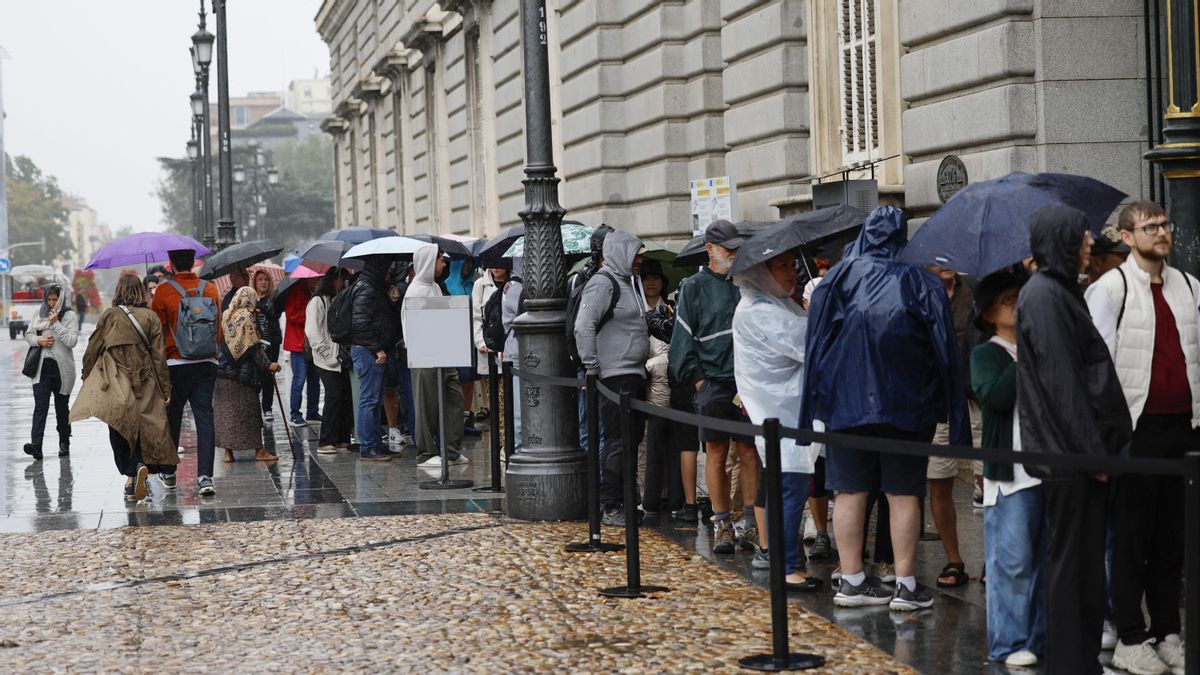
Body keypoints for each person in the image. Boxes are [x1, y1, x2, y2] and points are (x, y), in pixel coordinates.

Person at [801, 205, 969, 612]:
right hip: (907, 405)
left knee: (849, 491)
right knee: (904, 492)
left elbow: (814, 349)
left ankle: (853, 580)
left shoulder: (834, 280)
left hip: (845, 405)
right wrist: (953, 411)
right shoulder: (920, 281)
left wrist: (812, 407)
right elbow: (946, 351)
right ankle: (906, 585)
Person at [1017, 204, 1131, 673]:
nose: (1090, 244)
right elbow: (1064, 384)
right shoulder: (1045, 296)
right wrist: (1093, 455)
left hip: (1074, 456)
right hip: (1072, 459)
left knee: (1081, 566)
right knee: (1072, 566)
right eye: (1083, 236)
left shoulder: (1058, 292)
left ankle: (1079, 657)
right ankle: (1071, 661)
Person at [1086, 201, 1197, 675]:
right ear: (1127, 237)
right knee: (1131, 539)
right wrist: (1101, 441)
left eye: (1164, 224)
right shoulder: (1110, 288)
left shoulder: (1190, 286)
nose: (1161, 232)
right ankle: (1130, 635)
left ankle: (1167, 630)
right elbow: (1096, 367)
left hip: (1184, 430)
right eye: (1149, 227)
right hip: (1135, 431)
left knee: (1173, 539)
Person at [733, 249, 822, 592]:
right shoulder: (760, 310)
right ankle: (785, 566)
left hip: (785, 414)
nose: (790, 273)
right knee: (790, 490)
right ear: (761, 272)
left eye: (791, 265)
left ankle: (786, 561)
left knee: (785, 490)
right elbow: (807, 343)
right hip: (782, 416)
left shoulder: (772, 303)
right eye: (781, 266)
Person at [668, 219, 759, 553]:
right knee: (717, 452)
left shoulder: (746, 280)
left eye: (737, 249)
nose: (734, 255)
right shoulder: (694, 286)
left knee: (750, 452)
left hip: (746, 382)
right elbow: (682, 341)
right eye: (728, 249)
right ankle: (722, 523)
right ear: (710, 249)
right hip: (714, 385)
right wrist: (699, 380)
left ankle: (749, 523)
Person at [972, 270, 1045, 668]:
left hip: (1047, 469)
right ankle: (1008, 642)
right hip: (1012, 474)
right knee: (1012, 562)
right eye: (1009, 300)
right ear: (988, 313)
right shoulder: (987, 353)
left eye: (1022, 298)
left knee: (1045, 560)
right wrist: (1026, 356)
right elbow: (996, 397)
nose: (1018, 305)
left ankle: (1040, 637)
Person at [72, 274, 175, 502]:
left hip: (115, 379)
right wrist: (165, 388)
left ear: (119, 291)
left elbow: (92, 348)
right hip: (145, 379)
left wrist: (87, 375)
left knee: (119, 426)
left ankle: (133, 470)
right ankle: (136, 474)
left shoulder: (110, 316)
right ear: (140, 291)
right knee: (145, 426)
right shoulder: (150, 318)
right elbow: (159, 357)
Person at [575, 230, 648, 526]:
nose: (640, 261)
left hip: (632, 374)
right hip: (614, 377)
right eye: (636, 255)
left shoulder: (627, 282)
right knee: (618, 441)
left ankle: (625, 499)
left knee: (630, 441)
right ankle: (612, 503)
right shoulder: (603, 283)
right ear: (621, 253)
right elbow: (584, 325)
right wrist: (592, 367)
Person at [151, 248, 223, 496]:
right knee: (205, 417)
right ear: (193, 263)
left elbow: (156, 331)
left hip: (175, 364)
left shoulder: (163, 291)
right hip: (206, 363)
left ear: (170, 264)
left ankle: (169, 473)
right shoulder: (211, 289)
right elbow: (218, 328)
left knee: (173, 416)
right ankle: (205, 477)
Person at [925, 265, 977, 588]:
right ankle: (953, 558)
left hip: (975, 395)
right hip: (940, 399)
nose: (944, 262)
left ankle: (992, 560)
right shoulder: (921, 293)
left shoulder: (973, 290)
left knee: (989, 480)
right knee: (939, 478)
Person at [404, 245, 469, 467]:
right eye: (440, 260)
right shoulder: (416, 291)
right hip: (425, 356)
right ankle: (426, 453)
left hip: (444, 352)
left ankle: (451, 450)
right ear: (429, 262)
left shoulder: (434, 288)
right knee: (426, 405)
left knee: (454, 399)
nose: (444, 264)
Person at [215, 287, 282, 463]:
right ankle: (259, 451)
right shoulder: (248, 317)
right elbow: (254, 347)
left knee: (226, 414)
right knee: (250, 413)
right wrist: (269, 365)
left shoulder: (226, 315)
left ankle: (228, 453)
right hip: (243, 375)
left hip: (223, 373)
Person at [641, 259, 686, 516]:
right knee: (650, 444)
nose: (652, 282)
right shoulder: (637, 308)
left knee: (673, 442)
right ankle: (651, 496)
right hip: (649, 382)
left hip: (670, 382)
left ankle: (673, 496)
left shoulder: (670, 308)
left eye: (656, 277)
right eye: (647, 277)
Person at [350, 255, 400, 461]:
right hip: (368, 351)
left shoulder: (373, 287)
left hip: (372, 350)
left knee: (375, 399)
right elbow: (361, 323)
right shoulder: (367, 288)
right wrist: (378, 349)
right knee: (369, 400)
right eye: (388, 267)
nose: (390, 271)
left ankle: (375, 444)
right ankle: (368, 446)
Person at [22, 283, 78, 461]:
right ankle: (36, 445)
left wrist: (55, 324)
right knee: (40, 407)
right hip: (41, 370)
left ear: (61, 299)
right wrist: (39, 340)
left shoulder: (69, 315)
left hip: (62, 371)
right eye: (49, 299)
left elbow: (71, 340)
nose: (52, 303)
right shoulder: (39, 314)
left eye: (55, 299)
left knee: (62, 409)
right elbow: (29, 334)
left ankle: (64, 442)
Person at [306, 267, 354, 454]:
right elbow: (313, 331)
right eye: (342, 280)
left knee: (344, 396)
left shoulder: (340, 300)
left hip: (341, 357)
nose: (344, 285)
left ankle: (342, 438)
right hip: (326, 359)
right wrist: (326, 353)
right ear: (333, 281)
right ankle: (326, 440)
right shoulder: (318, 302)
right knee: (333, 396)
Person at [448, 258, 482, 436]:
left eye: (470, 264)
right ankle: (456, 418)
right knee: (457, 379)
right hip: (455, 338)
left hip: (471, 337)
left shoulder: (473, 284)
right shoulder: (447, 284)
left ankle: (467, 416)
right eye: (465, 263)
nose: (468, 267)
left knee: (469, 379)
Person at [284, 276, 321, 427]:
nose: (318, 282)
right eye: (316, 280)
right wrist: (311, 316)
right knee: (299, 379)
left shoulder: (313, 292)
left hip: (311, 342)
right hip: (298, 343)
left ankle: (312, 411)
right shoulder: (296, 291)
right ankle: (295, 414)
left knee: (314, 379)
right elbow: (291, 315)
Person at [383, 273, 415, 448]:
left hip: (403, 347)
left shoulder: (406, 288)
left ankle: (405, 426)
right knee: (392, 390)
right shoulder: (381, 291)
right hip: (390, 348)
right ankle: (393, 428)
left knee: (406, 391)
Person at [471, 266, 504, 419]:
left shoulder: (515, 282)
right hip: (488, 348)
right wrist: (480, 342)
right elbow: (476, 317)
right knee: (493, 398)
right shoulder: (480, 285)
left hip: (508, 349)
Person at [251, 269, 283, 422]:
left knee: (269, 375)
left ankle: (267, 408)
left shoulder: (273, 298)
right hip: (256, 343)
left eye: (266, 280)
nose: (263, 282)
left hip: (272, 342)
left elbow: (275, 313)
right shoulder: (250, 299)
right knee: (256, 375)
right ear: (255, 283)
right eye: (260, 280)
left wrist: (261, 308)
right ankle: (254, 407)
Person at [501, 259, 524, 447]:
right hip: (517, 353)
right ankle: (517, 450)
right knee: (519, 412)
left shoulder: (513, 286)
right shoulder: (515, 287)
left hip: (517, 352)